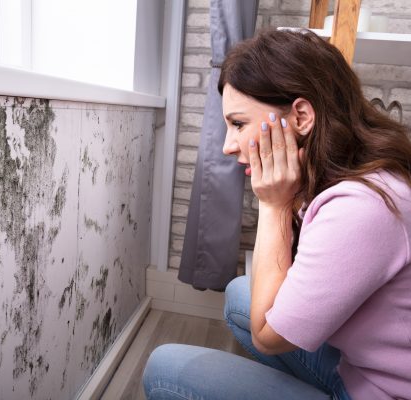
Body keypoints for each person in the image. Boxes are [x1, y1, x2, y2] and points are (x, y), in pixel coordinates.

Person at [142, 28, 411, 400]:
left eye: (238, 124)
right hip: (361, 368)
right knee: (241, 292)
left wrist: (274, 204)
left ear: (301, 116)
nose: (227, 146)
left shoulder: (361, 209)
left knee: (164, 370)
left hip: (381, 392)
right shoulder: (348, 173)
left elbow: (267, 337)